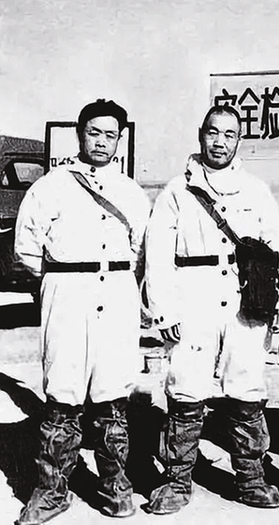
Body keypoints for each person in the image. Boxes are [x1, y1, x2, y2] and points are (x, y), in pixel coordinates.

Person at [144, 105, 279, 514]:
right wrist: (163, 310)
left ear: (239, 141)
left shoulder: (254, 190)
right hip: (191, 299)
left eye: (229, 134)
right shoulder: (177, 191)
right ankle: (177, 480)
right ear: (201, 135)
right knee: (186, 389)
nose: (220, 142)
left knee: (247, 388)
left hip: (243, 300)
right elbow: (157, 255)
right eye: (213, 133)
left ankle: (250, 478)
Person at [14, 99, 151, 524]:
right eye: (94, 132)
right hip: (67, 293)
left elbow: (142, 249)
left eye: (110, 134)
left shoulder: (130, 192)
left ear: (120, 139)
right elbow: (26, 248)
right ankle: (51, 490)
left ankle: (114, 485)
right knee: (63, 390)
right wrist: (62, 280)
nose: (101, 141)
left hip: (118, 294)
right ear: (79, 134)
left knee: (113, 391)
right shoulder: (50, 186)